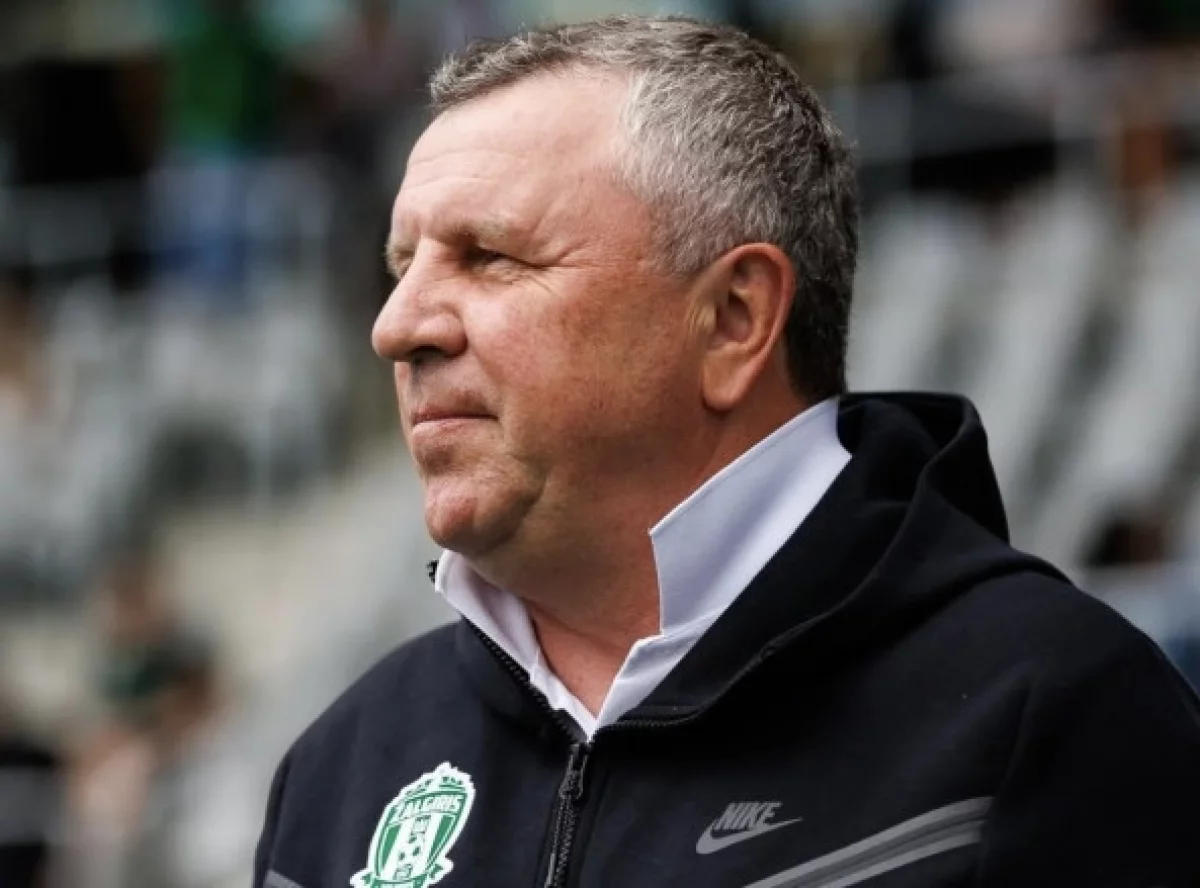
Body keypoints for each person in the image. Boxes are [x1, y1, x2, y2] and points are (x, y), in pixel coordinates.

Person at [253, 16, 1200, 888]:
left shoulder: (1045, 714)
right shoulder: (341, 774)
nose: (397, 326)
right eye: (402, 267)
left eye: (489, 256)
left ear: (734, 319)